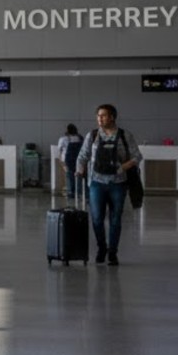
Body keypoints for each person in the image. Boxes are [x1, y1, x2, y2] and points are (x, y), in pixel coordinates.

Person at [76, 104, 142, 266]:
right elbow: (83, 155)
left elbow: (137, 156)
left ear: (112, 117)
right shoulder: (92, 135)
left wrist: (122, 168)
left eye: (104, 115)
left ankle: (113, 252)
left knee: (115, 219)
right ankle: (101, 248)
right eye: (98, 115)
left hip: (118, 184)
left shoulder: (125, 135)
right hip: (96, 183)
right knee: (97, 218)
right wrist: (79, 169)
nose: (100, 118)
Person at [56, 123, 84, 199]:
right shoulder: (80, 138)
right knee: (78, 176)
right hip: (79, 159)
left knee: (69, 176)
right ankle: (79, 193)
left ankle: (71, 193)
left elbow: (59, 151)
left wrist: (61, 163)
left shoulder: (63, 139)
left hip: (67, 160)